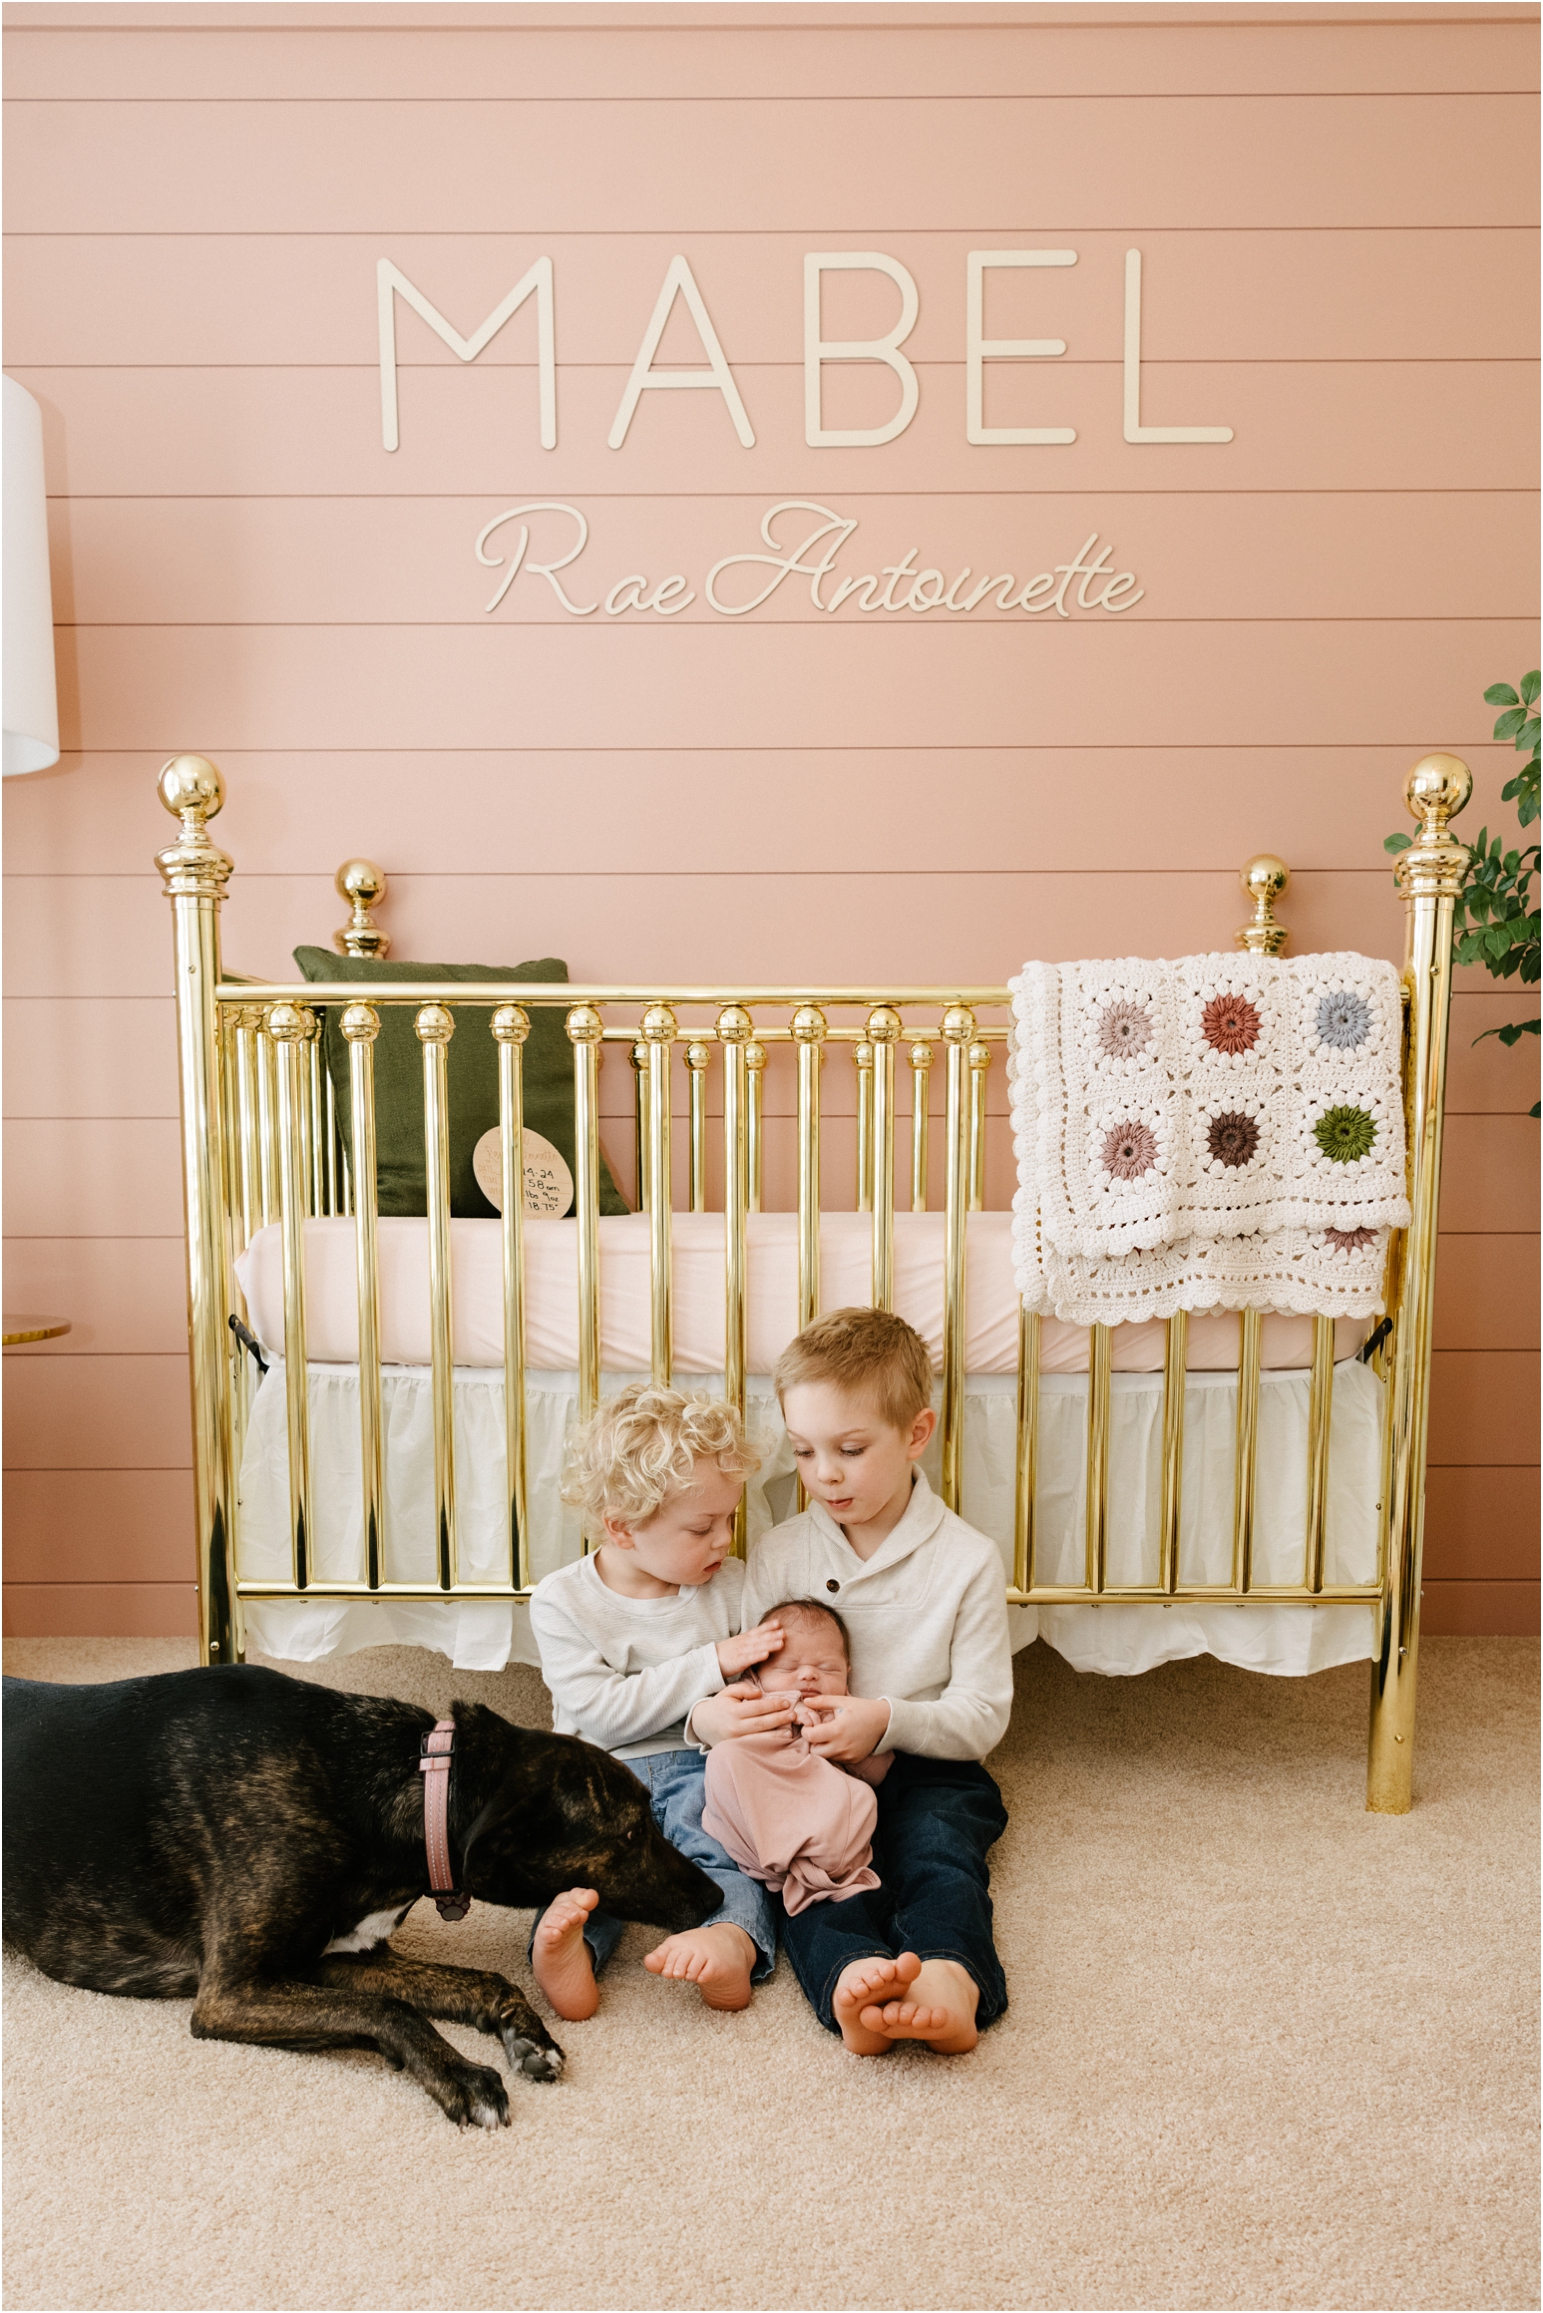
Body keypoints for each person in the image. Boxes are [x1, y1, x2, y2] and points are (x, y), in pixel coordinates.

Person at [695, 1306, 1013, 2056]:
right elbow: (734, 1674)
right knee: (803, 1876)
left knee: (937, 1853)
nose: (824, 1474)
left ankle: (949, 1974)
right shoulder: (778, 1553)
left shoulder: (966, 1559)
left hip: (926, 1764)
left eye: (849, 1448)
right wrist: (712, 1719)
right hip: (805, 1773)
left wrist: (884, 1719)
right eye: (803, 1452)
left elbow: (980, 1714)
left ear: (914, 1433)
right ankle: (850, 1979)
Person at [527, 1382, 794, 2021]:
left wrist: (725, 1706)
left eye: (730, 1519)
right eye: (702, 1527)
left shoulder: (730, 1588)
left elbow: (756, 1690)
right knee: (575, 1869)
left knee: (728, 1852)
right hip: (595, 1773)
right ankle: (568, 1953)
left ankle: (732, 1939)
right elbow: (600, 1712)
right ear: (620, 1527)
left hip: (700, 1765)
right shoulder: (563, 1601)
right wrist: (711, 1664)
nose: (724, 1540)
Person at [700, 1596, 888, 1914]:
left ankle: (814, 1865)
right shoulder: (753, 1694)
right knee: (725, 1757)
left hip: (816, 1805)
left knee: (863, 1798)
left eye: (828, 1668)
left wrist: (863, 1742)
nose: (808, 1676)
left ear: (848, 1672)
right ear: (756, 1672)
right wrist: (788, 1706)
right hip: (761, 1789)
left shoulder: (846, 1708)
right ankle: (775, 1860)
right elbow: (726, 1724)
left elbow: (875, 1772)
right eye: (788, 1667)